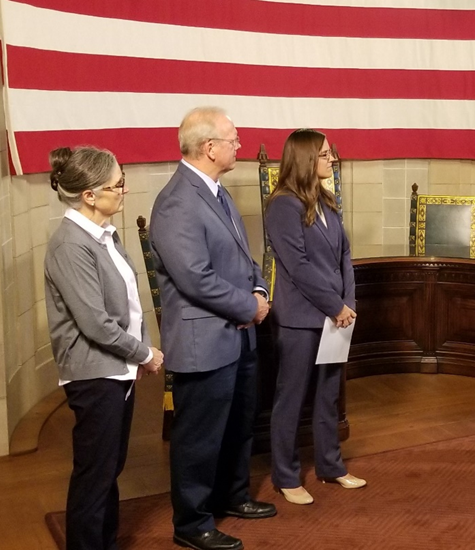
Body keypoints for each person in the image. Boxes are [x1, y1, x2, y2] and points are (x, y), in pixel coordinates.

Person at [150, 107, 275, 550]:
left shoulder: (216, 192)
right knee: (199, 437)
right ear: (209, 148)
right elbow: (195, 277)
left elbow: (242, 257)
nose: (238, 146)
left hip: (238, 335)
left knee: (238, 424)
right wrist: (250, 306)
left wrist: (259, 289)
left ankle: (233, 496)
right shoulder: (177, 201)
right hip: (206, 341)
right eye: (233, 140)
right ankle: (192, 523)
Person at [44, 146, 164, 550]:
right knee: (95, 473)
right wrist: (145, 353)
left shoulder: (104, 234)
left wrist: (137, 352)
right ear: (90, 195)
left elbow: (126, 305)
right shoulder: (70, 245)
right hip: (94, 373)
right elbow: (95, 322)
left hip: (115, 369)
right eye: (118, 185)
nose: (124, 191)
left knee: (110, 467)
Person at [264, 129, 365, 506]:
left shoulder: (326, 199)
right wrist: (334, 306)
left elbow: (344, 257)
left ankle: (331, 466)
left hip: (338, 315)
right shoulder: (282, 206)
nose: (332, 159)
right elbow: (298, 267)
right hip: (300, 319)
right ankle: (286, 476)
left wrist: (347, 304)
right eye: (325, 154)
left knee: (329, 397)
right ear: (306, 158)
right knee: (291, 398)